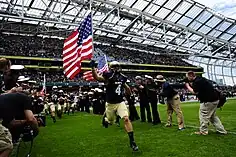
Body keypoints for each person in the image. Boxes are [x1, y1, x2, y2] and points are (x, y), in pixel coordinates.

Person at [91, 60, 138, 151]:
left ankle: (132, 141)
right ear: (111, 67)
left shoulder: (122, 77)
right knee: (110, 122)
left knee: (126, 118)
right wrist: (93, 69)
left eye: (117, 66)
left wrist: (131, 94)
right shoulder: (108, 77)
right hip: (110, 104)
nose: (116, 68)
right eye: (115, 67)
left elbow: (126, 87)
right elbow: (97, 77)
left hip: (120, 102)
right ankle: (106, 118)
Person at [185, 71, 227, 135]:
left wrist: (187, 86)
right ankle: (221, 130)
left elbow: (194, 92)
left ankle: (203, 131)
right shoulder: (201, 79)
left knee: (203, 116)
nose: (187, 78)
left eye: (187, 77)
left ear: (191, 76)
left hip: (208, 101)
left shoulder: (197, 82)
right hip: (215, 99)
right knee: (213, 117)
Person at [0, 93, 39, 157]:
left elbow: (11, 124)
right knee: (7, 147)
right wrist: (36, 130)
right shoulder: (26, 98)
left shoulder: (8, 101)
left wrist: (24, 121)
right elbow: (31, 119)